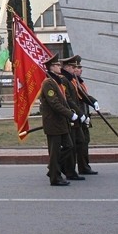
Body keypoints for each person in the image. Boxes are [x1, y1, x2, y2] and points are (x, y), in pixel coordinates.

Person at [40, 56, 76, 186]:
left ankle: (53, 168)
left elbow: (64, 101)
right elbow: (54, 103)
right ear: (51, 67)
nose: (59, 67)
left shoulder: (56, 81)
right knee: (55, 151)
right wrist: (70, 114)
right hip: (53, 123)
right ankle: (55, 178)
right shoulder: (48, 83)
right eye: (56, 65)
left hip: (61, 122)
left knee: (69, 146)